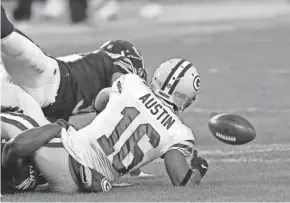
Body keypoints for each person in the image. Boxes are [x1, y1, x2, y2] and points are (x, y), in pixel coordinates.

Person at [7, 58, 208, 186]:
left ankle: (20, 174)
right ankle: (30, 177)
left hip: (67, 151)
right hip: (78, 183)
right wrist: (199, 168)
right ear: (186, 98)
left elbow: (100, 100)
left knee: (13, 122)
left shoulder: (131, 83)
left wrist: (103, 111)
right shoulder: (181, 133)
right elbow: (182, 181)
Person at [1, 5, 146, 122]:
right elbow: (121, 93)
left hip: (42, 99)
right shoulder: (114, 65)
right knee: (7, 37)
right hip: (49, 80)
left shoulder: (95, 81)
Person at [1, 83, 113, 193]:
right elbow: (15, 147)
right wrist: (59, 125)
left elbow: (14, 147)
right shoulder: (17, 179)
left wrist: (58, 126)